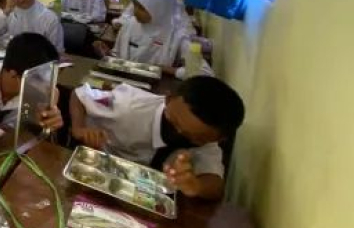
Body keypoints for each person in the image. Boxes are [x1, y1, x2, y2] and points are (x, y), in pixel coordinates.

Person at [69, 76, 245, 200]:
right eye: (173, 122)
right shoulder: (129, 106)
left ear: (219, 138)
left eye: (192, 138)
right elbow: (80, 95)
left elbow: (215, 185)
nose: (177, 134)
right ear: (168, 100)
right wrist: (79, 128)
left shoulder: (205, 140)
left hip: (146, 200)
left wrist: (196, 186)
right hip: (98, 178)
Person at [97, 0, 192, 73]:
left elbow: (201, 73)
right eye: (135, 6)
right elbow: (118, 56)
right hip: (125, 80)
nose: (135, 12)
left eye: (142, 8)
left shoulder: (177, 35)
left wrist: (171, 70)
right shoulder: (130, 24)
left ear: (159, 9)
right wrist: (108, 54)